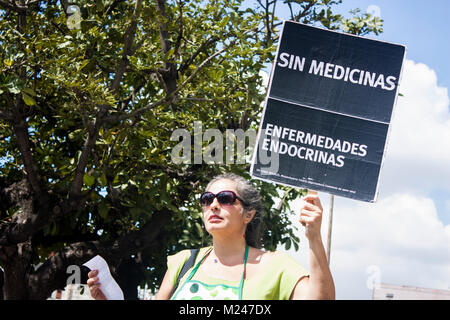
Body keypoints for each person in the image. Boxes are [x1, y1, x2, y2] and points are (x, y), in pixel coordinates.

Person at [87, 173, 335, 300]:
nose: (213, 205)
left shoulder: (277, 266)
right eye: (207, 200)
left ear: (248, 214)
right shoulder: (183, 262)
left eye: (225, 199)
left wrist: (314, 236)